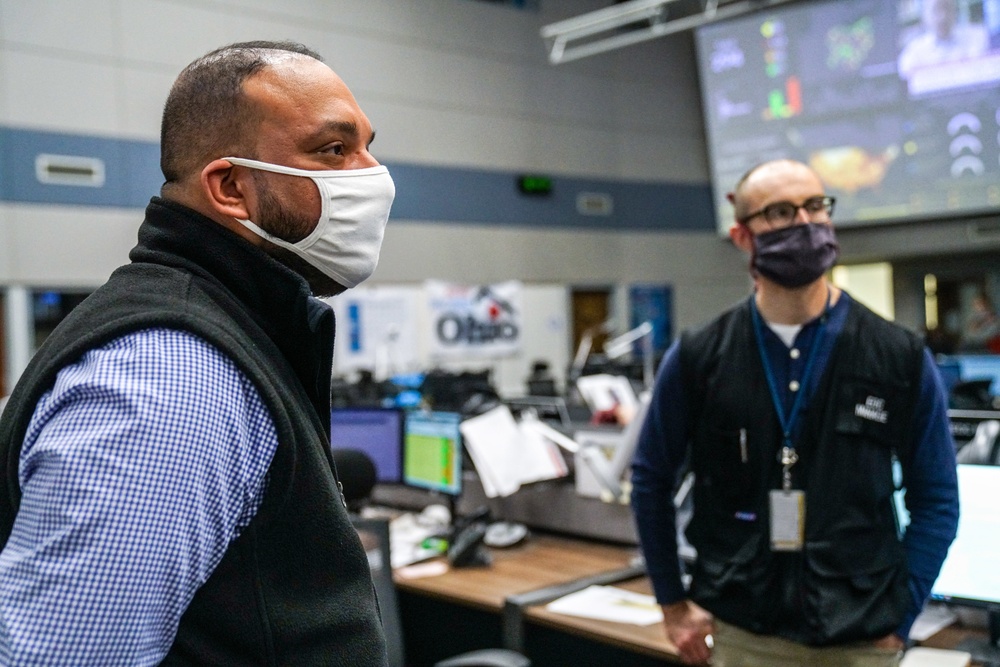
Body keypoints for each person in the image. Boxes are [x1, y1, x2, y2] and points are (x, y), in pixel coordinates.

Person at [0, 41, 394, 665]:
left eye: (369, 146)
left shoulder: (229, 328)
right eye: (333, 150)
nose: (374, 176)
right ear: (231, 186)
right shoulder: (173, 374)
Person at [631, 159, 960, 667]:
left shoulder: (897, 355)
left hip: (863, 635)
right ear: (743, 236)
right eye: (781, 213)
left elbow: (936, 499)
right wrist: (672, 603)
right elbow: (650, 480)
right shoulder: (700, 356)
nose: (805, 223)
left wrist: (901, 617)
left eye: (815, 206)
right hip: (743, 631)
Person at [898, 0, 990, 81]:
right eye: (936, 10)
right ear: (924, 15)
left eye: (947, 8)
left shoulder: (977, 38)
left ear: (956, 11)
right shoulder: (913, 53)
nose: (943, 17)